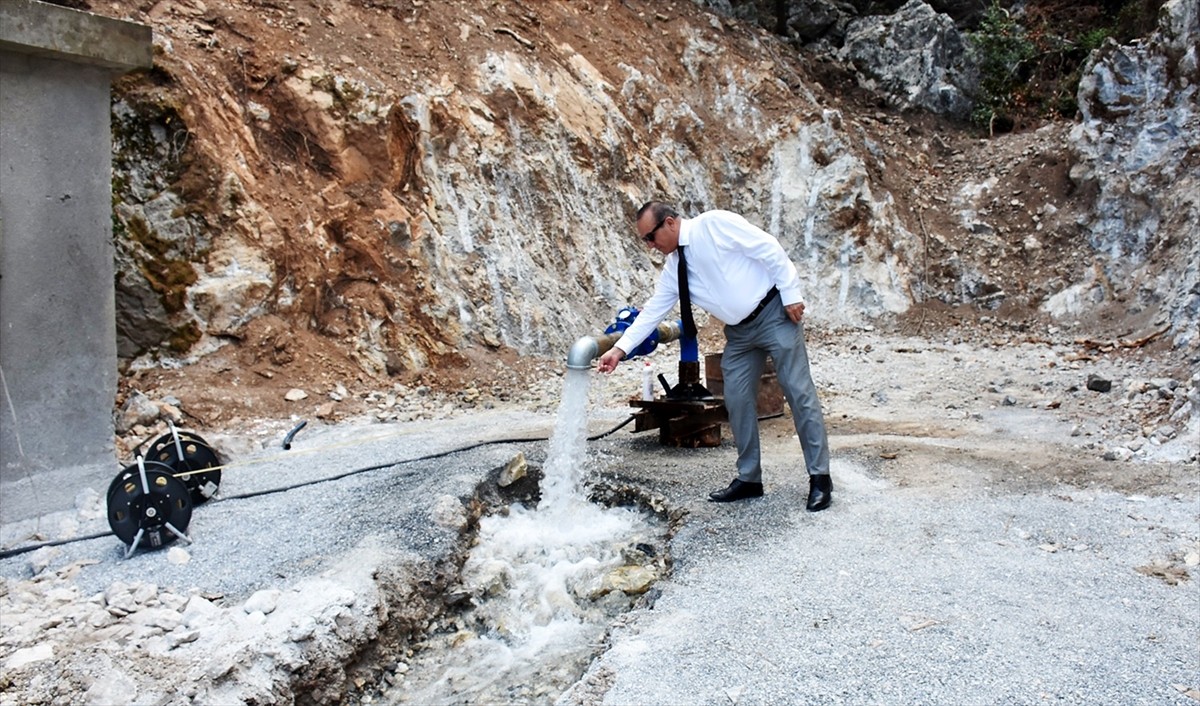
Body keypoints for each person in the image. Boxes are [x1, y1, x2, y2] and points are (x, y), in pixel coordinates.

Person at [597, 201, 833, 511]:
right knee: (735, 399)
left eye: (650, 238)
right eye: (645, 241)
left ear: (669, 223)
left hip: (775, 315)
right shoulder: (674, 269)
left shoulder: (715, 225)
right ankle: (750, 479)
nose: (650, 245)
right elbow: (653, 311)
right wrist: (619, 349)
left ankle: (820, 478)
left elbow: (768, 248)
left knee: (799, 393)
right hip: (739, 333)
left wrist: (791, 294)